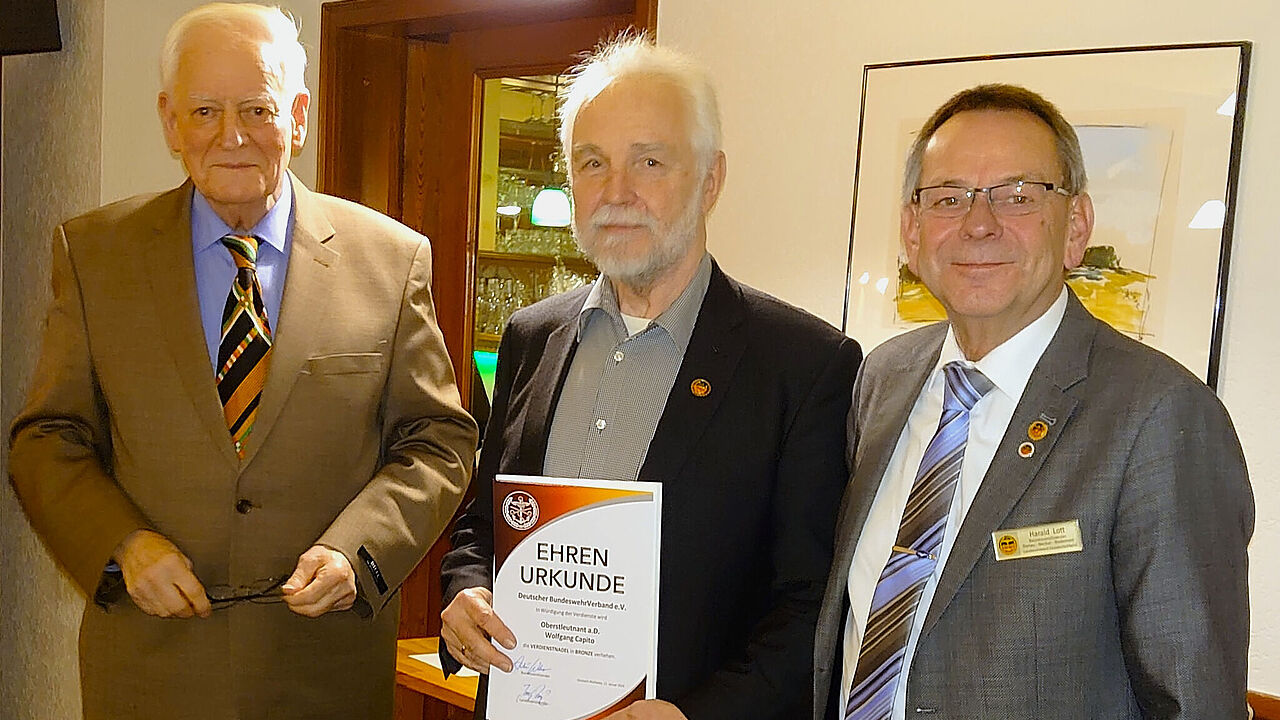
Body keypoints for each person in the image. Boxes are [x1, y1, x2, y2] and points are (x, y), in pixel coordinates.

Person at [7, 4, 478, 719]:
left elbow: (439, 441)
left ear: (299, 114)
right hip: (148, 676)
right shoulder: (95, 255)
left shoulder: (391, 260)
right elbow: (47, 440)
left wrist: (360, 552)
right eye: (204, 110)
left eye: (257, 108)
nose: (231, 137)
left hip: (324, 678)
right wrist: (121, 544)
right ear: (170, 121)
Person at [439, 35, 862, 720]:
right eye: (592, 163)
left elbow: (811, 607)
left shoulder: (805, 365)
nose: (617, 193)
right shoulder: (529, 337)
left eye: (651, 161)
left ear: (711, 180)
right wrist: (463, 592)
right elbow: (483, 526)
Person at [813, 84, 1253, 720]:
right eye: (948, 198)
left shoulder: (1160, 418)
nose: (979, 223)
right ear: (912, 231)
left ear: (1076, 226)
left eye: (1018, 196)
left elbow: (1196, 703)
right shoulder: (882, 379)